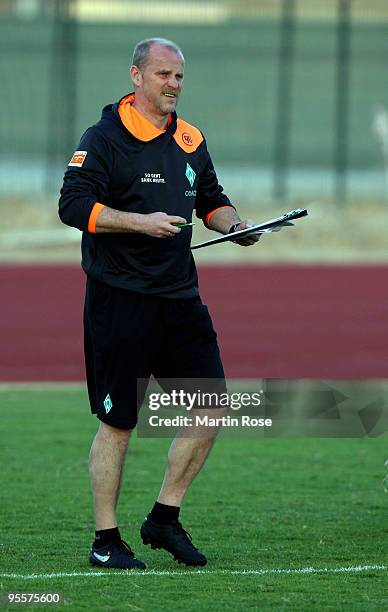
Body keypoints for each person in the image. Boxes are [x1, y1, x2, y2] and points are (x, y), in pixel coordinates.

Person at [59, 37, 258, 570]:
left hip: (179, 299)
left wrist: (236, 225)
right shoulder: (103, 137)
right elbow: (73, 205)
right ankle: (106, 539)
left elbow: (212, 199)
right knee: (119, 423)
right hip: (119, 300)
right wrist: (137, 222)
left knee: (213, 404)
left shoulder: (191, 138)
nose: (173, 84)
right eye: (164, 74)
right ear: (136, 76)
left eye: (179, 77)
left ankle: (163, 519)